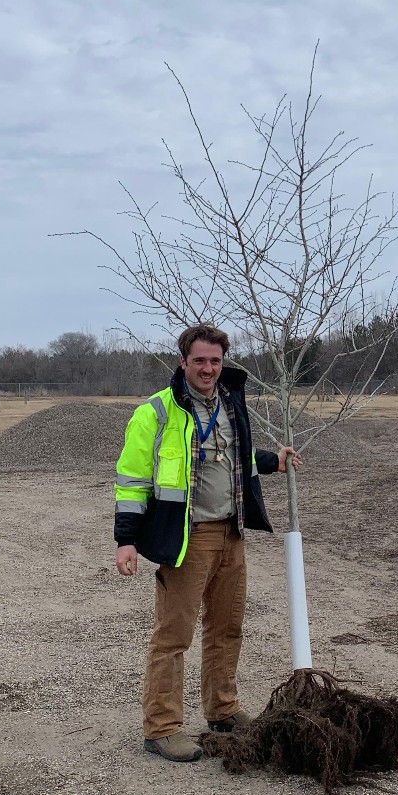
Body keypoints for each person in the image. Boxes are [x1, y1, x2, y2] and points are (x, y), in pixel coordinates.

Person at [114, 323, 300, 762]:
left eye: (215, 361)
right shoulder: (156, 413)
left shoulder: (232, 403)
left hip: (231, 534)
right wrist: (126, 541)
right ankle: (161, 728)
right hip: (186, 540)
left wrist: (274, 461)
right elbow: (132, 479)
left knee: (227, 628)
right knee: (173, 635)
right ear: (183, 361)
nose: (208, 368)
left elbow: (237, 454)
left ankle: (222, 710)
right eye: (199, 360)